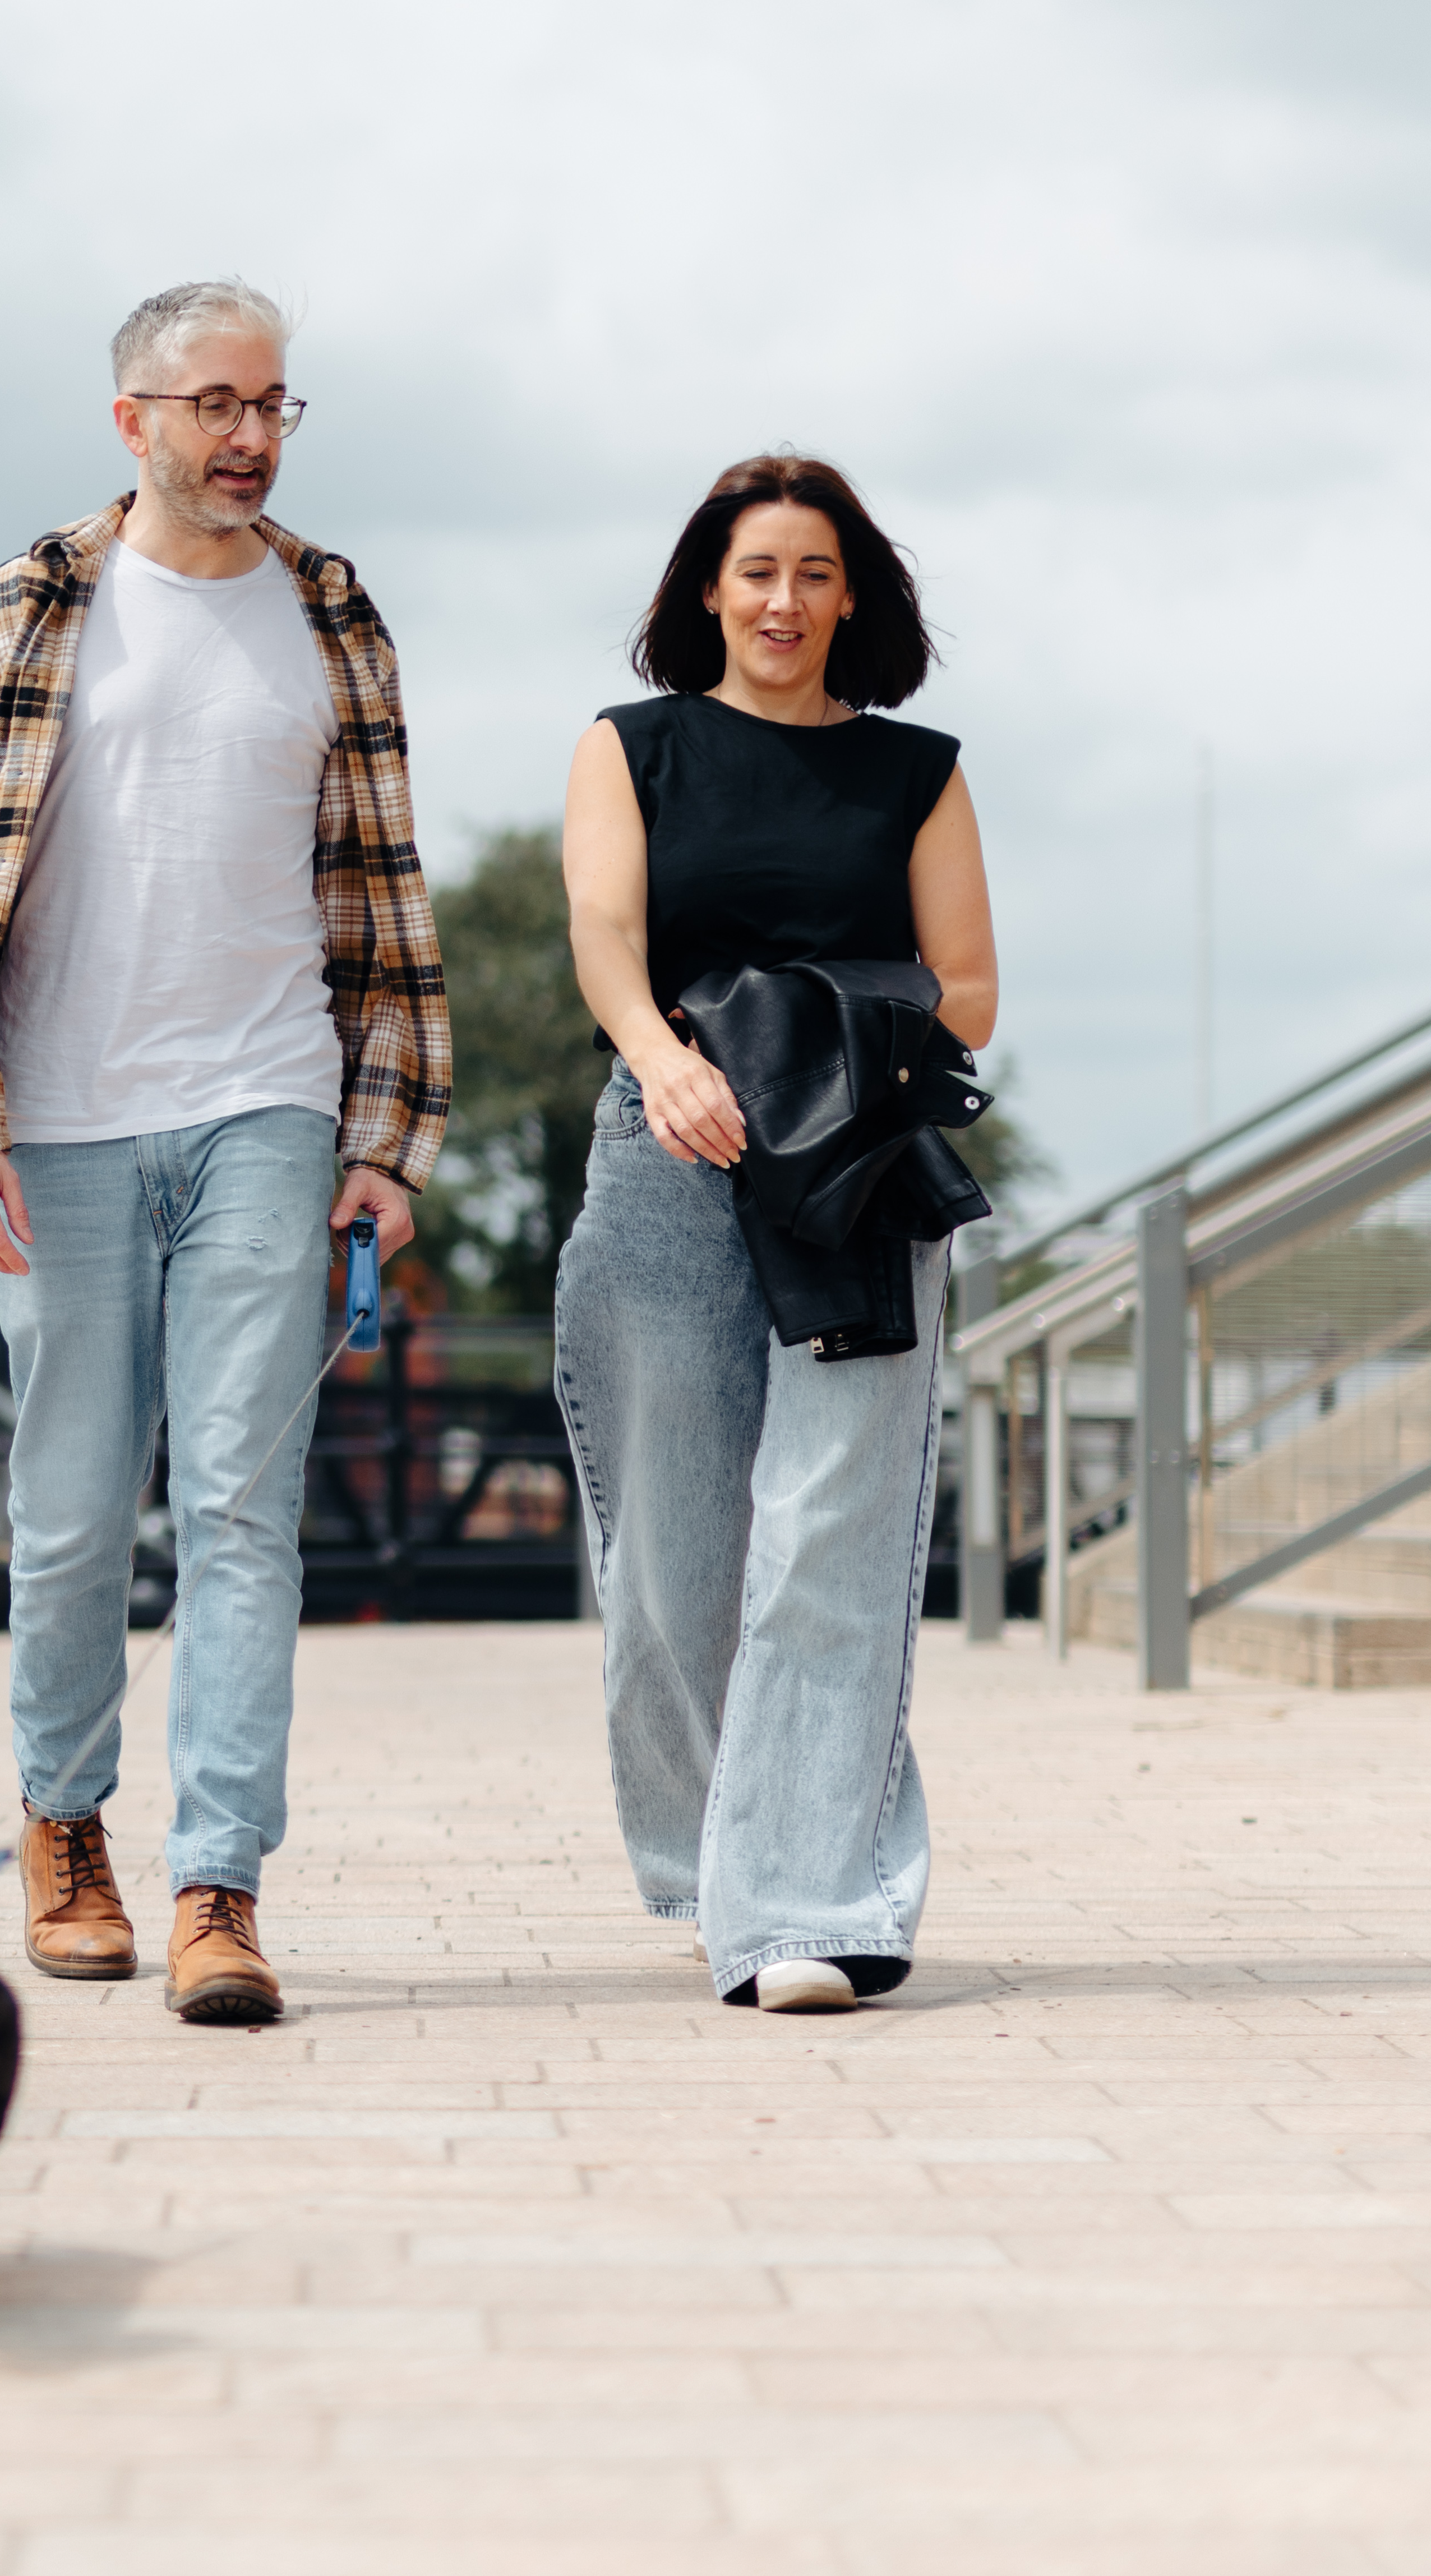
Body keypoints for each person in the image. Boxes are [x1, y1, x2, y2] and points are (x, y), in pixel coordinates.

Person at [0, 280, 449, 2026]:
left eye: (275, 402)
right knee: (67, 1518)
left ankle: (221, 1887)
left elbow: (381, 890)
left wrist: (391, 1135)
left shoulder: (334, 611)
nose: (249, 435)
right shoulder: (25, 601)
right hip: (53, 1119)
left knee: (234, 1510)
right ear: (129, 419)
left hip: (266, 1104)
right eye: (214, 402)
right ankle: (65, 1832)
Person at [552, 452, 1000, 2013]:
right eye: (755, 570)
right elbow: (606, 933)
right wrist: (670, 1054)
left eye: (814, 572)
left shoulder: (915, 772)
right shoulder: (633, 749)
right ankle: (709, 1855)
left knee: (830, 1533)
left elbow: (969, 989)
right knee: (673, 1553)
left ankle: (811, 1901)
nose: (783, 600)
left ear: (851, 595)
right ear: (704, 591)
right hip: (672, 1148)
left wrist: (807, 1034)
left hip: (858, 1166)